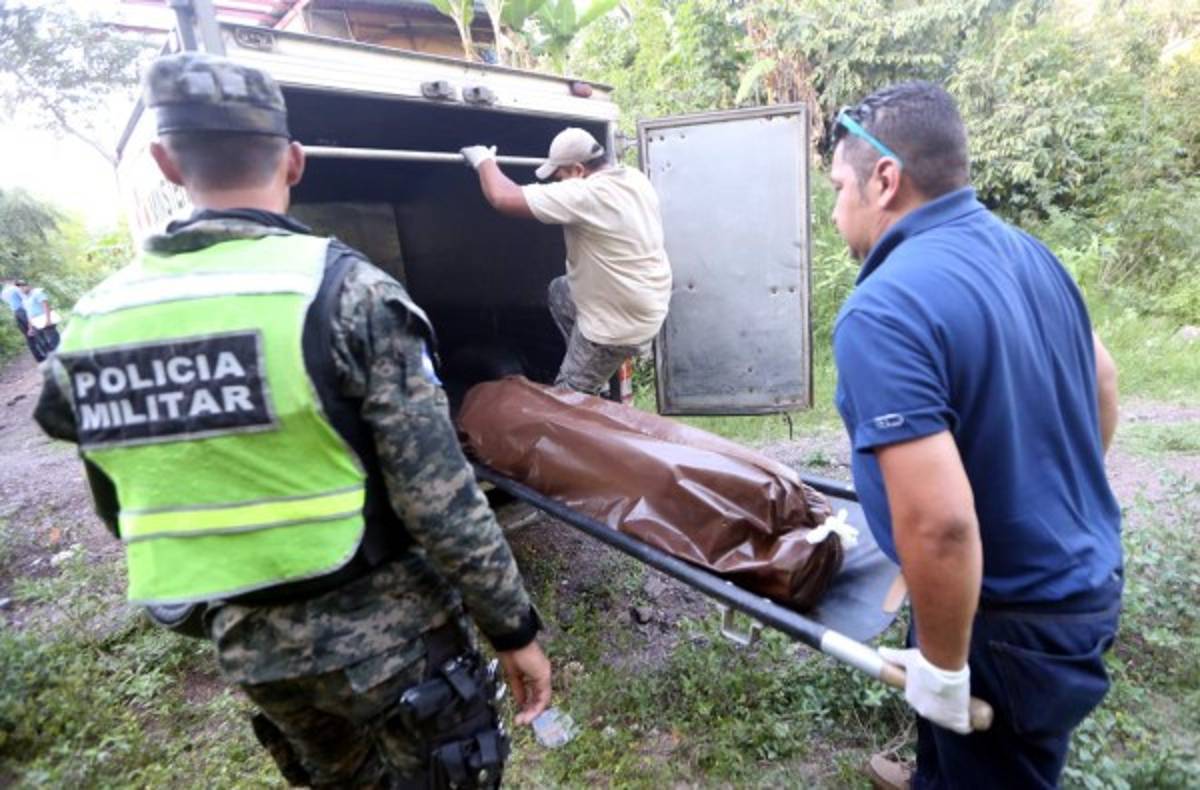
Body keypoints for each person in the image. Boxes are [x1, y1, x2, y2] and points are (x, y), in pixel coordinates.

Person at [33, 52, 551, 789]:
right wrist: (515, 630)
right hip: (391, 641)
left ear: (164, 163)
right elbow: (440, 503)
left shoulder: (94, 324)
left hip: (252, 648)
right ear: (297, 161)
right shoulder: (348, 295)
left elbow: (98, 465)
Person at [826, 81, 1122, 789]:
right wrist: (1042, 498)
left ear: (886, 180)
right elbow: (1103, 381)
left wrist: (948, 668)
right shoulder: (1027, 252)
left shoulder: (883, 308)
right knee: (985, 758)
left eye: (839, 187)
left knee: (995, 762)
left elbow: (941, 527)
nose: (835, 208)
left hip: (1007, 619)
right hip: (1081, 580)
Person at [460, 128, 672, 394]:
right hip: (642, 301)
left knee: (567, 405)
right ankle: (596, 379)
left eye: (560, 176)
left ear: (579, 169)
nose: (558, 183)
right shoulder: (634, 179)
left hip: (617, 325)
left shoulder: (587, 195)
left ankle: (585, 387)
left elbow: (503, 197)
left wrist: (483, 161)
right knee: (560, 289)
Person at [2, 279, 46, 361]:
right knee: (36, 331)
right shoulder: (15, 288)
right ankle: (46, 353)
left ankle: (38, 357)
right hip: (23, 311)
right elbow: (25, 298)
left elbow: (8, 302)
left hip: (16, 313)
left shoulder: (3, 293)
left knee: (28, 336)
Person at [19, 280, 59, 356]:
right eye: (20, 288)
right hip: (36, 323)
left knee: (53, 341)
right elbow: (29, 313)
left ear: (29, 285)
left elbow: (46, 306)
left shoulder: (37, 293)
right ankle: (54, 361)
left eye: (23, 286)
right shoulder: (24, 300)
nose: (22, 289)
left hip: (45, 320)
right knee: (43, 344)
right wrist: (30, 327)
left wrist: (48, 320)